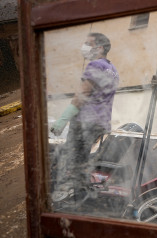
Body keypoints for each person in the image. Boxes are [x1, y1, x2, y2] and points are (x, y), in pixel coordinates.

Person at [50, 32, 119, 201]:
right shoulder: (112, 69)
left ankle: (71, 201)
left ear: (100, 47)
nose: (84, 47)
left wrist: (62, 120)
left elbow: (82, 94)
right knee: (82, 163)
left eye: (88, 43)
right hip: (100, 123)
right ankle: (82, 198)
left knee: (71, 163)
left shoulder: (95, 65)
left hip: (85, 122)